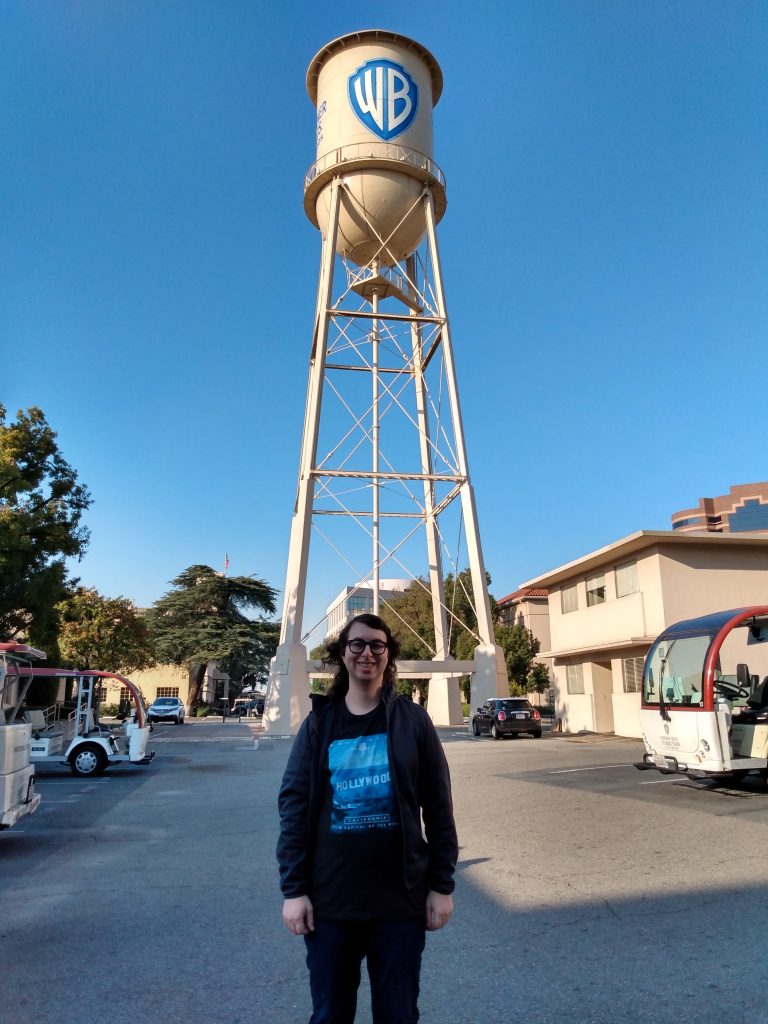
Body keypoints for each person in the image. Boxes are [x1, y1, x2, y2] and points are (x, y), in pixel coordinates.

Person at [277, 613, 458, 1024]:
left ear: (388, 654)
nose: (367, 653)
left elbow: (439, 804)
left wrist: (442, 885)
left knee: (398, 1016)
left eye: (378, 645)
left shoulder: (413, 721)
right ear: (343, 653)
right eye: (357, 644)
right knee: (330, 1016)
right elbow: (293, 803)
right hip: (331, 905)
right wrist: (294, 889)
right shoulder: (319, 723)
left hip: (400, 904)